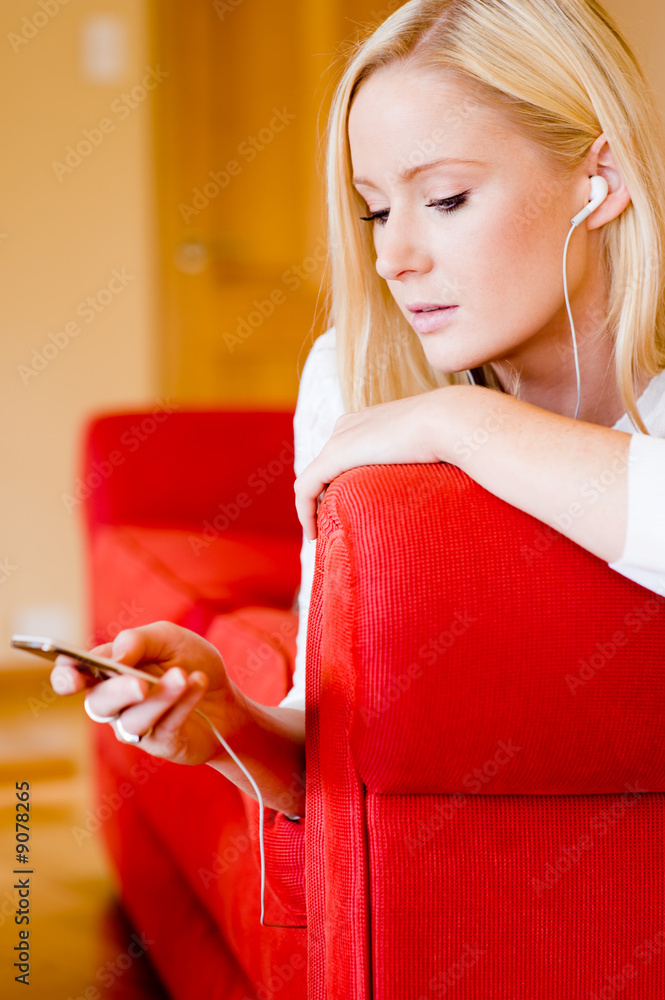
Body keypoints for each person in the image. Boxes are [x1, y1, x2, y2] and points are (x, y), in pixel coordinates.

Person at [50, 0, 665, 825]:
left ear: (601, 182)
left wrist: (460, 423)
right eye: (376, 209)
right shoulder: (354, 370)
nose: (391, 258)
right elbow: (328, 763)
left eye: (444, 199)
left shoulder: (426, 409)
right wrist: (228, 723)